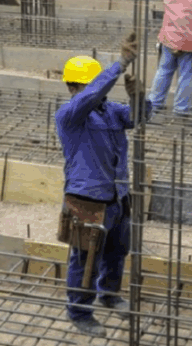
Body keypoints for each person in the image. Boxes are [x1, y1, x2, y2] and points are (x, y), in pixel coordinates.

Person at [56, 34, 152, 337]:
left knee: (117, 250)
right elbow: (89, 98)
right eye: (91, 83)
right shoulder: (69, 114)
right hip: (86, 199)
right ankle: (80, 311)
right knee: (85, 259)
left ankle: (109, 295)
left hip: (117, 195)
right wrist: (120, 64)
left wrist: (138, 96)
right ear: (74, 86)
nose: (98, 89)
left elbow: (139, 118)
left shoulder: (110, 111)